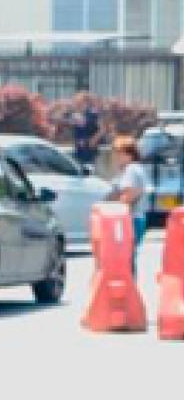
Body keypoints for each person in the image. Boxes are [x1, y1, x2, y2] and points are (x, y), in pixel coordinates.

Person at [109, 136, 149, 270]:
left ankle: (128, 288)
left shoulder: (131, 170)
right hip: (138, 218)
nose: (116, 157)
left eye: (120, 154)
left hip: (130, 220)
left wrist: (113, 208)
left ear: (129, 154)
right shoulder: (137, 169)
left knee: (125, 258)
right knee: (129, 258)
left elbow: (130, 194)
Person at [71, 94, 102, 169]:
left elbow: (101, 129)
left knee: (89, 172)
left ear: (85, 103)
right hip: (79, 150)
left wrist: (94, 139)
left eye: (79, 102)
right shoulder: (75, 114)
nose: (76, 105)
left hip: (89, 151)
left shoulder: (92, 114)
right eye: (76, 102)